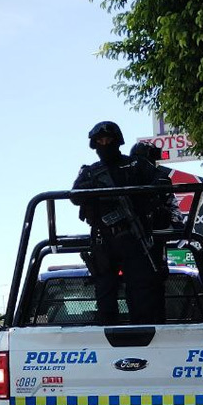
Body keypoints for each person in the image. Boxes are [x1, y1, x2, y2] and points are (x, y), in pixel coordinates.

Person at [71, 121, 179, 325]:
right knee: (105, 295)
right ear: (95, 145)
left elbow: (162, 183)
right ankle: (106, 334)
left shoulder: (136, 165)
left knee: (141, 295)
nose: (104, 143)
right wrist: (93, 185)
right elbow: (75, 196)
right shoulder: (90, 172)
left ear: (117, 141)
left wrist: (147, 192)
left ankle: (140, 335)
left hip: (134, 238)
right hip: (104, 241)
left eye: (108, 140)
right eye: (100, 141)